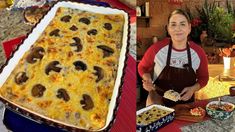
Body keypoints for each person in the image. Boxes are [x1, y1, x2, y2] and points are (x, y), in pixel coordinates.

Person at [138, 9, 209, 107]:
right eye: (173, 24)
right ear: (168, 29)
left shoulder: (198, 52)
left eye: (182, 24)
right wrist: (147, 78)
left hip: (186, 105)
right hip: (157, 102)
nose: (178, 28)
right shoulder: (156, 49)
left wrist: (193, 89)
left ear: (189, 28)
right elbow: (142, 67)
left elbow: (204, 78)